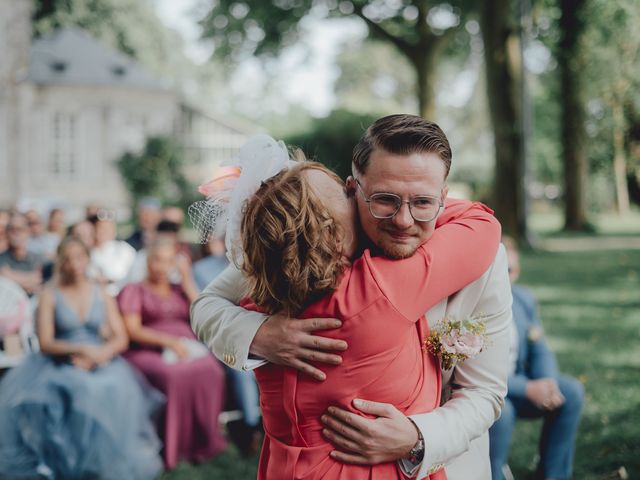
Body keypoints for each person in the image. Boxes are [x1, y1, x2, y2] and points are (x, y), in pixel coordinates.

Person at [191, 116, 513, 479]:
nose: (404, 220)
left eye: (422, 202)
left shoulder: (486, 262)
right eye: (384, 199)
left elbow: (485, 392)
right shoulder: (313, 234)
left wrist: (418, 437)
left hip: (447, 464)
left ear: (443, 197)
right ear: (352, 189)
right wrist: (259, 333)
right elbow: (206, 306)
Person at [0, 237, 163, 479]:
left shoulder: (101, 292)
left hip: (101, 359)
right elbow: (46, 342)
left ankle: (105, 460)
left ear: (87, 258)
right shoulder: (50, 294)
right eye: (67, 258)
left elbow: (120, 337)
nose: (74, 264)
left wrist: (99, 356)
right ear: (60, 262)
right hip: (60, 361)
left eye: (79, 257)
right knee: (84, 389)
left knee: (118, 387)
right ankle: (72, 461)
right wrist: (81, 351)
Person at [118, 237, 227, 469]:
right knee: (172, 376)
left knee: (211, 370)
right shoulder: (134, 290)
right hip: (147, 349)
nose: (161, 267)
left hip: (186, 346)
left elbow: (203, 312)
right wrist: (168, 341)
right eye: (157, 260)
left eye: (168, 261)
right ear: (147, 262)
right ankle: (173, 446)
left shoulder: (179, 289)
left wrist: (187, 280)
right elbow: (132, 329)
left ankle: (203, 440)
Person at [489, 237, 584, 480]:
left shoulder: (523, 299)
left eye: (508, 270)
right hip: (485, 389)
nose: (503, 275)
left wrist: (547, 382)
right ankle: (492, 473)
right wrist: (527, 387)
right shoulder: (473, 305)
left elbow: (539, 347)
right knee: (503, 412)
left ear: (517, 272)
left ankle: (554, 474)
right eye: (495, 267)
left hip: (519, 384)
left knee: (570, 391)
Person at [193, 233, 262, 455]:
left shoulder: (259, 263)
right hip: (221, 333)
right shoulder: (203, 268)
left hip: (258, 328)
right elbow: (205, 311)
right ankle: (251, 427)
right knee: (241, 367)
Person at [89, 211, 136, 295]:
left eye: (107, 228)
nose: (103, 232)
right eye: (100, 228)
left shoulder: (124, 249)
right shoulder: (88, 252)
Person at [0, 212, 44, 296]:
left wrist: (10, 276)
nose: (16, 233)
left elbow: (39, 280)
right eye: (12, 229)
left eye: (19, 229)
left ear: (28, 231)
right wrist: (30, 278)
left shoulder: (38, 258)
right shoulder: (1, 259)